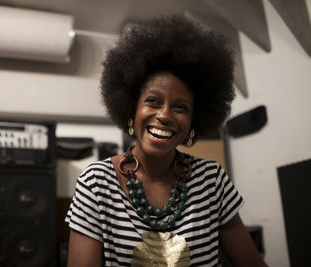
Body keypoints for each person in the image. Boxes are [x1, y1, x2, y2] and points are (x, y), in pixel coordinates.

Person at [65, 15, 266, 266]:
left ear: (194, 121)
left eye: (180, 107)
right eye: (152, 101)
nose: (164, 115)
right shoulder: (96, 183)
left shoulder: (212, 181)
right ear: (132, 109)